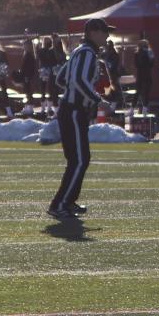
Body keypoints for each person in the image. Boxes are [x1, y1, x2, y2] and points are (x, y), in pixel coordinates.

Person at [49, 17, 111, 220]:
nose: (107, 35)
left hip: (71, 109)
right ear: (93, 32)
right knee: (80, 159)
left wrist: (72, 93)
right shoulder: (87, 53)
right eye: (104, 31)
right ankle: (60, 204)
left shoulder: (79, 52)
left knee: (78, 159)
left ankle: (67, 201)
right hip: (74, 110)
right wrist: (96, 99)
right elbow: (78, 80)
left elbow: (61, 79)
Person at [133, 37, 155, 113]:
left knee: (146, 93)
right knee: (138, 92)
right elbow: (137, 64)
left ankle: (144, 109)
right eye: (142, 45)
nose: (143, 46)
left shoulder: (149, 52)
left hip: (147, 75)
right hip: (141, 75)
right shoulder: (137, 53)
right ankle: (133, 108)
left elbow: (152, 64)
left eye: (144, 44)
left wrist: (149, 57)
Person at [100, 38, 123, 109]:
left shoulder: (110, 54)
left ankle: (114, 103)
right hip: (112, 74)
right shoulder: (112, 53)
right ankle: (114, 103)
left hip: (111, 74)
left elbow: (111, 64)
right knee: (111, 89)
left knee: (112, 89)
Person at [18, 38, 39, 115]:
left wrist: (26, 76)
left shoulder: (28, 55)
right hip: (27, 76)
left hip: (27, 76)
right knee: (28, 92)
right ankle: (28, 107)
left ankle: (29, 108)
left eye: (25, 45)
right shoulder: (29, 54)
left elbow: (28, 67)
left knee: (28, 92)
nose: (24, 46)